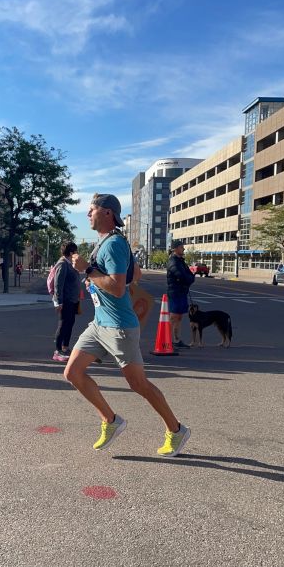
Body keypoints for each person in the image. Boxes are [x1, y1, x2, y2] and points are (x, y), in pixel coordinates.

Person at [64, 193, 191, 457]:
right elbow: (137, 275)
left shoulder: (112, 245)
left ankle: (176, 430)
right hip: (100, 324)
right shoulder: (108, 243)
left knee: (139, 384)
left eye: (91, 210)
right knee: (72, 372)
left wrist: (88, 271)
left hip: (119, 326)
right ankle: (111, 421)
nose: (87, 214)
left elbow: (119, 288)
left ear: (107, 212)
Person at [52, 241, 81, 363]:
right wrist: (59, 301)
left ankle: (65, 347)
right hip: (66, 300)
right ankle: (57, 351)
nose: (77, 254)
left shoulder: (70, 264)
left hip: (73, 299)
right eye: (75, 252)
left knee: (70, 323)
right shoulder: (63, 264)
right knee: (63, 325)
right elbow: (58, 284)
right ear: (71, 253)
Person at [166, 239, 195, 348]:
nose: (183, 249)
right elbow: (181, 276)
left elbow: (190, 275)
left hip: (182, 292)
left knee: (179, 317)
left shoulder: (181, 261)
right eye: (181, 247)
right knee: (174, 316)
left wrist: (189, 279)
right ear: (175, 249)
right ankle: (166, 339)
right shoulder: (173, 261)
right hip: (175, 292)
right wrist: (188, 279)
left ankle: (176, 340)